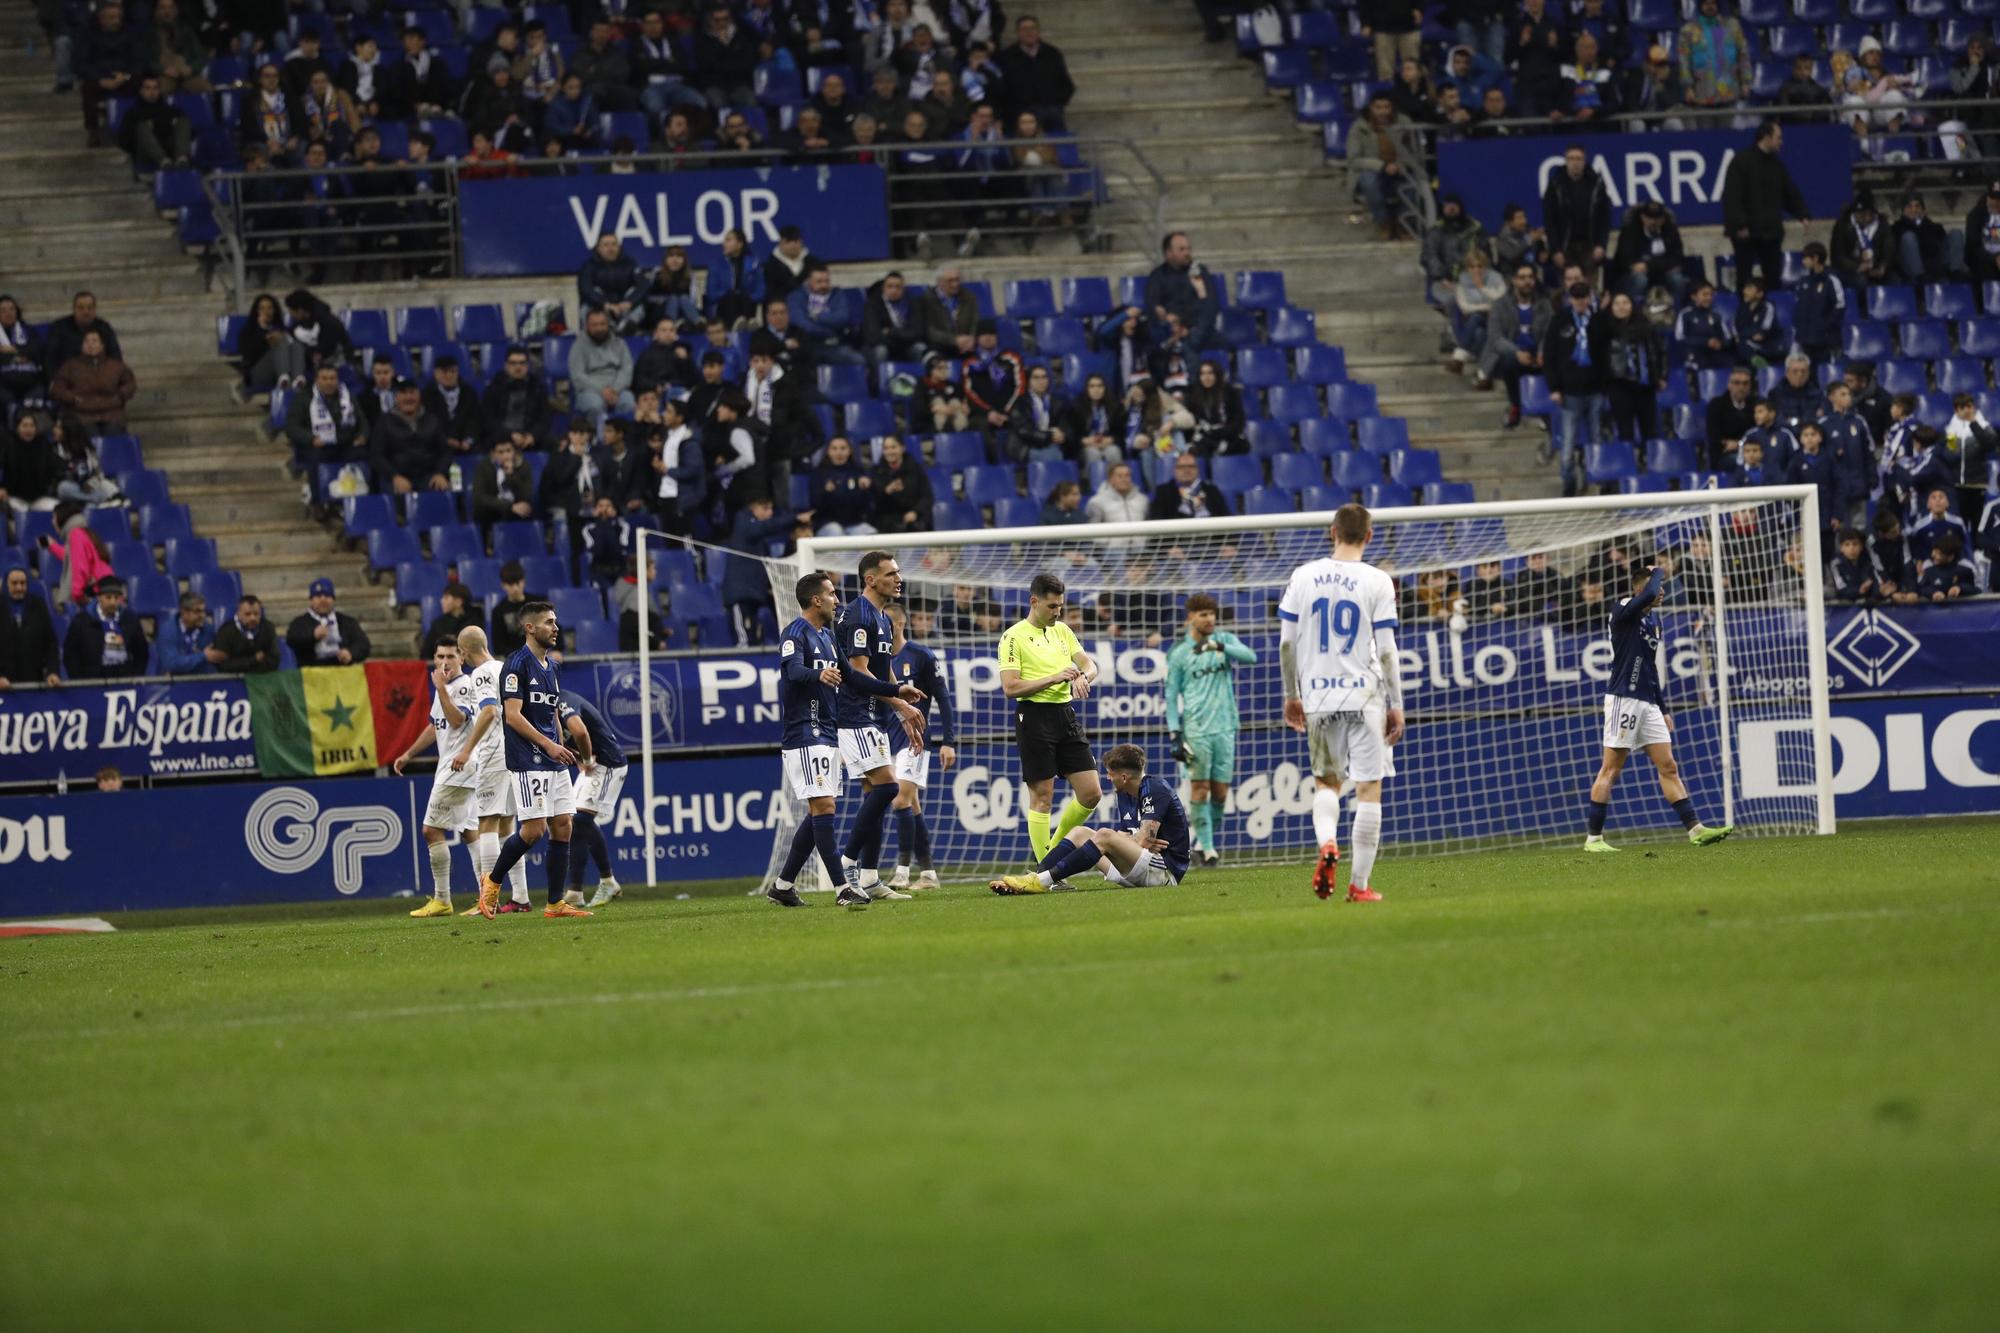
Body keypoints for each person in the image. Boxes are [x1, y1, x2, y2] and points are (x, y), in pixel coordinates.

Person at [1279, 505, 1403, 903]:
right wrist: (1395, 703)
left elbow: (1285, 643)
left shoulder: (1304, 575)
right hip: (1366, 695)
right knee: (1368, 788)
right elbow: (1387, 650)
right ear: (1369, 536)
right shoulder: (1378, 580)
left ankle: (1327, 843)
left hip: (1318, 696)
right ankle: (1359, 886)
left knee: (1327, 783)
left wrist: (1291, 694)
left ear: (1332, 532)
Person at [1585, 564, 1735, 851]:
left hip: (1648, 702)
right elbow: (1652, 588)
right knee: (1611, 769)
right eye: (1658, 587)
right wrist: (1659, 571)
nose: (1662, 591)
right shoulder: (1623, 608)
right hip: (1623, 699)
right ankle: (1594, 839)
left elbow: (1651, 668)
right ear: (1641, 588)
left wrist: (1663, 708)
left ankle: (1696, 829)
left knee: (1668, 765)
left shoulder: (1653, 622)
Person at [475, 602, 593, 919]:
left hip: (553, 756)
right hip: (528, 757)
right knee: (533, 830)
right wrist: (548, 746)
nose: (556, 628)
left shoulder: (552, 667)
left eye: (555, 622)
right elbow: (512, 717)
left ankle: (555, 903)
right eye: (549, 622)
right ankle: (492, 881)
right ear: (530, 627)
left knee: (564, 825)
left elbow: (552, 711)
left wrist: (565, 748)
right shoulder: (516, 665)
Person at [829, 550, 930, 901]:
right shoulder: (858, 615)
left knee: (875, 793)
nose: (898, 578)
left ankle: (870, 878)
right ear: (871, 579)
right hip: (853, 713)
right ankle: (845, 862)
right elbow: (857, 671)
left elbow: (882, 667)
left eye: (898, 572)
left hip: (875, 715)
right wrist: (897, 695)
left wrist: (900, 708)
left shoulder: (884, 618)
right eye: (890, 574)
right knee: (888, 788)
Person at [767, 572, 871, 907]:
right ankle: (843, 889)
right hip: (804, 732)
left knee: (820, 812)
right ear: (816, 600)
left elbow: (852, 676)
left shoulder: (826, 636)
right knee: (823, 806)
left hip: (826, 731)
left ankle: (783, 885)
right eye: (831, 594)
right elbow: (794, 672)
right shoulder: (794, 633)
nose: (837, 599)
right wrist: (819, 674)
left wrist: (895, 694)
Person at [990, 742, 1191, 895]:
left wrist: (1132, 840)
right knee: (1080, 833)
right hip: (1140, 866)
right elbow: (1131, 837)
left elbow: (1142, 841)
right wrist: (1132, 840)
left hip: (1164, 873)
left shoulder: (1155, 789)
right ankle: (1032, 879)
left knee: (1104, 835)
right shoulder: (1124, 793)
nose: (1107, 778)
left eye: (1110, 774)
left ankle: (1040, 882)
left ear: (1124, 777)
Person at [999, 572, 1101, 862]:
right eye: (1052, 607)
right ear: (1034, 601)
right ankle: (1047, 868)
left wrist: (1084, 677)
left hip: (1065, 715)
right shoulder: (1012, 636)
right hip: (1034, 716)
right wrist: (1056, 677)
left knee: (1091, 793)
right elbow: (1010, 687)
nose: (1058, 612)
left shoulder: (1063, 631)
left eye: (1060, 606)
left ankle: (1054, 852)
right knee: (1043, 796)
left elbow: (1089, 664)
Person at [392, 638, 485, 918]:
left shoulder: (465, 685)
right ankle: (487, 898)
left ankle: (443, 899)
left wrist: (442, 689)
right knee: (470, 833)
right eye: (440, 656)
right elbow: (437, 726)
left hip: (459, 769)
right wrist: (408, 754)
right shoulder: (444, 689)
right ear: (434, 658)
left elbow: (458, 720)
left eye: (451, 656)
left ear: (461, 658)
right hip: (458, 769)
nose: (445, 662)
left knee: (431, 831)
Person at [1163, 593, 1255, 869]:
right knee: (1200, 788)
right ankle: (1209, 849)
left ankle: (1204, 842)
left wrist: (1217, 645)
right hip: (1196, 729)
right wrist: (1174, 732)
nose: (1210, 619)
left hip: (1226, 727)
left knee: (1221, 792)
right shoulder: (1179, 653)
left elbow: (1251, 657)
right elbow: (1170, 696)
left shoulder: (1224, 641)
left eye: (1213, 614)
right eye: (1204, 614)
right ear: (1191, 617)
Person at [883, 602, 957, 891]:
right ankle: (928, 875)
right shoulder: (875, 660)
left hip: (915, 740)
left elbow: (943, 699)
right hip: (886, 738)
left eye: (885, 624)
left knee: (900, 799)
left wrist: (948, 741)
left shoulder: (921, 656)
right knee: (911, 806)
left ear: (899, 624)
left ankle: (901, 872)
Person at [1720, 119, 1809, 293]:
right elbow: (1732, 196)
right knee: (1745, 278)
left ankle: (1771, 313)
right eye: (1778, 138)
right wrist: (1740, 224)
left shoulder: (1776, 165)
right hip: (1746, 234)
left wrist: (1802, 214)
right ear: (1766, 137)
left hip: (1771, 231)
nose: (1781, 142)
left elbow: (1788, 192)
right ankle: (1744, 314)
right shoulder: (1741, 161)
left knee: (1773, 276)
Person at [560, 692, 629, 909]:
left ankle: (607, 881)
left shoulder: (561, 700)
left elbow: (579, 730)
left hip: (608, 763)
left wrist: (587, 759)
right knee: (574, 821)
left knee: (581, 819)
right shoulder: (543, 703)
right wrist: (580, 759)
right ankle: (575, 893)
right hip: (593, 765)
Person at [1542, 281, 1607, 497]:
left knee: (1596, 441)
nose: (1580, 301)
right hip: (1569, 393)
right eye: (1576, 297)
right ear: (1570, 299)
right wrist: (1554, 387)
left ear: (1589, 298)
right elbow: (1549, 356)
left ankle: (1597, 482)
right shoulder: (1559, 321)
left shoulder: (1598, 321)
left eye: (1584, 297)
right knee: (1568, 446)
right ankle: (1569, 487)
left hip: (1595, 390)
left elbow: (1605, 355)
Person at [1476, 263, 1552, 428]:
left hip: (1535, 354)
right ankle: (1516, 406)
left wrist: (1541, 352)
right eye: (1523, 278)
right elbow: (1495, 338)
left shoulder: (1545, 305)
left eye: (1531, 277)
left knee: (1554, 362)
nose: (1527, 282)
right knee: (1510, 363)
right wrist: (1517, 352)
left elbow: (1549, 333)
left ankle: (1546, 410)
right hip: (1510, 354)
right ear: (1514, 281)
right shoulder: (1500, 305)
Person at [1346, 94, 1425, 242]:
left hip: (1400, 170)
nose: (1383, 111)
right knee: (1369, 182)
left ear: (1392, 108)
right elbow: (1354, 160)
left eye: (1386, 107)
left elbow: (1416, 152)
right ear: (1371, 108)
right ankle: (1384, 223)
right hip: (1371, 173)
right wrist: (1382, 166)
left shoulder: (1404, 123)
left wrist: (1401, 164)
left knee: (1414, 183)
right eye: (1378, 107)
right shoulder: (1358, 127)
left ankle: (1404, 224)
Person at [1143, 233, 1220, 350]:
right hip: (1171, 330)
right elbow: (1153, 305)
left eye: (1188, 249)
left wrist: (1191, 329)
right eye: (1182, 249)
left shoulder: (1199, 272)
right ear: (1168, 253)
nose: (1187, 253)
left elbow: (1211, 304)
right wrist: (1165, 317)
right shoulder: (1157, 276)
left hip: (1197, 329)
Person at [63, 575, 147, 681]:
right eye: (108, 597)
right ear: (99, 597)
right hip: (91, 684)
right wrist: (80, 683)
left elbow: (141, 653)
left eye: (116, 598)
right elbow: (70, 655)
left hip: (124, 682)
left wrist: (135, 677)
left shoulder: (129, 619)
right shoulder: (82, 621)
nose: (113, 602)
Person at [51, 329, 135, 430]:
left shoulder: (116, 366)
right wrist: (71, 398)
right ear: (82, 346)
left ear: (102, 345)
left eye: (94, 341)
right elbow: (57, 388)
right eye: (87, 341)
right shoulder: (70, 366)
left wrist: (120, 395)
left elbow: (130, 384)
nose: (90, 345)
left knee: (113, 433)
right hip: (81, 414)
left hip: (112, 413)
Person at [786, 264, 866, 368]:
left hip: (835, 346)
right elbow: (803, 325)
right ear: (808, 281)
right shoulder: (795, 297)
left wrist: (815, 316)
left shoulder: (837, 294)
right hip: (808, 346)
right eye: (819, 282)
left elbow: (842, 318)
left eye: (827, 281)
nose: (824, 285)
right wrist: (830, 331)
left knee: (858, 360)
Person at [569, 307, 637, 426]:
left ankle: (622, 439)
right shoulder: (578, 346)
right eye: (595, 325)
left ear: (608, 324)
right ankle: (598, 439)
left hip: (618, 389)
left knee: (628, 402)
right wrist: (602, 390)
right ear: (587, 326)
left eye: (602, 324)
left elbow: (626, 370)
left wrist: (615, 389)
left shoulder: (619, 343)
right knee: (595, 405)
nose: (599, 328)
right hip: (590, 390)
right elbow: (578, 376)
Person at [286, 577, 372, 667]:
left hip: (342, 671)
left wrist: (351, 653)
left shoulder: (347, 622)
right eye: (318, 596)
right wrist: (312, 635)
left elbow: (363, 644)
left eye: (327, 596)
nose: (323, 600)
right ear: (311, 600)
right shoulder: (300, 622)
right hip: (312, 674)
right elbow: (292, 639)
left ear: (333, 599)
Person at [0, 565, 62, 688]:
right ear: (6, 584)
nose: (19, 587)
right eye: (14, 583)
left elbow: (50, 643)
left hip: (35, 684)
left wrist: (52, 671)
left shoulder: (38, 606)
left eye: (23, 583)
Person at [870, 435, 933, 534]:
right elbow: (874, 503)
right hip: (888, 523)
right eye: (886, 448)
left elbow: (927, 496)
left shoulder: (916, 469)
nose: (890, 452)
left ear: (902, 448)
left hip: (915, 519)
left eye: (893, 447)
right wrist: (886, 491)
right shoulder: (877, 472)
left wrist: (915, 512)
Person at [209, 594, 279, 673]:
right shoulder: (226, 631)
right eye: (247, 614)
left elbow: (274, 660)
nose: (253, 618)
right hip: (233, 680)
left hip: (262, 678)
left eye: (256, 614)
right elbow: (224, 666)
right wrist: (254, 659)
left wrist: (243, 665)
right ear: (238, 613)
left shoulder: (268, 628)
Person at [156, 591, 216, 675]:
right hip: (176, 683)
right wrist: (202, 656)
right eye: (197, 611)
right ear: (184, 612)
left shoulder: (208, 629)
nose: (203, 615)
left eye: (203, 611)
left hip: (202, 681)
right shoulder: (168, 631)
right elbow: (171, 664)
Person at [421, 582, 482, 657]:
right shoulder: (438, 624)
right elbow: (427, 652)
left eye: (446, 598)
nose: (442, 601)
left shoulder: (475, 621)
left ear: (458, 602)